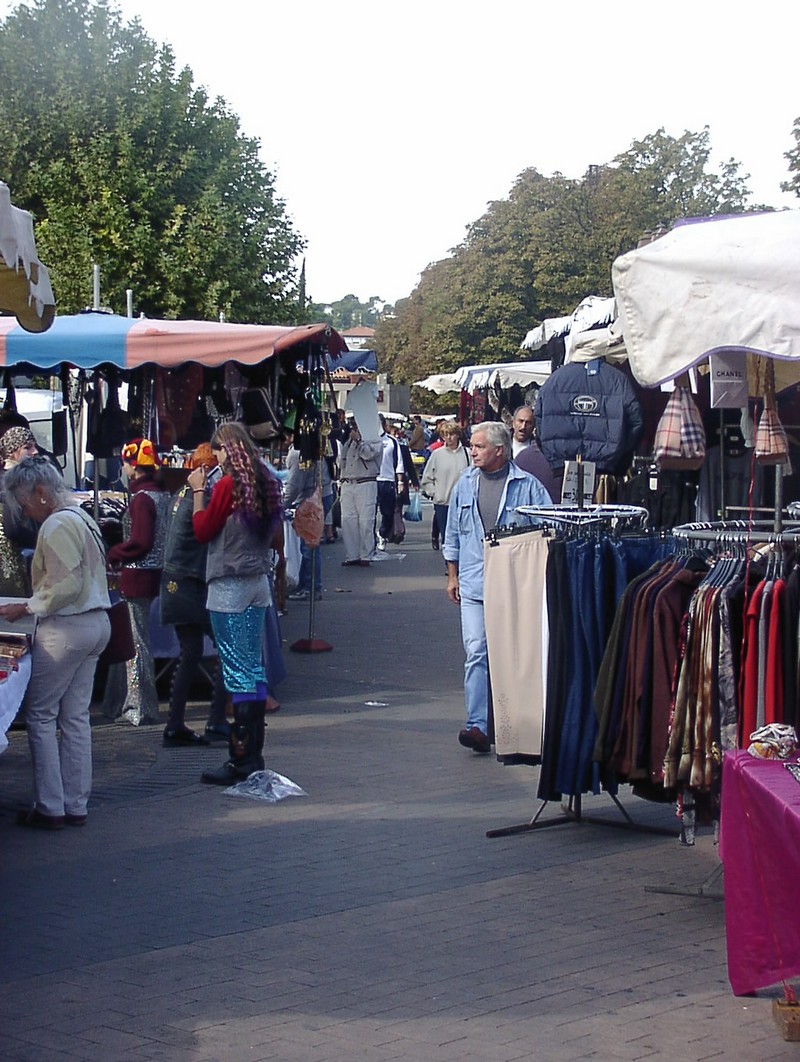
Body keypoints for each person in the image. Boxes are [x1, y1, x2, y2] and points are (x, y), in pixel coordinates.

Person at [0, 456, 110, 829]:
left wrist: (27, 606)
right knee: (75, 717)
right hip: (96, 623)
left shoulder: (57, 524)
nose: (24, 510)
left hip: (66, 627)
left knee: (42, 715)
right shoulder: (82, 518)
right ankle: (75, 803)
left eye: (24, 501)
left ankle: (51, 805)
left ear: (41, 492)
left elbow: (66, 585)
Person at [443, 421, 552, 754]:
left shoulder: (528, 487)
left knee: (513, 655)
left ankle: (516, 726)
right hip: (475, 584)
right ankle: (477, 724)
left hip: (514, 586)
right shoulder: (465, 484)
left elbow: (548, 531)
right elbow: (453, 533)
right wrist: (452, 575)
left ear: (499, 451)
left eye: (478, 446)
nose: (472, 451)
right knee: (477, 650)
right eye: (471, 446)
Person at [189, 421, 283, 785]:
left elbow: (202, 530)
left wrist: (199, 492)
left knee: (237, 670)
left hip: (229, 582)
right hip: (256, 580)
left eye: (220, 450)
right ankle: (252, 753)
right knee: (252, 669)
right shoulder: (265, 482)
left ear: (230, 450)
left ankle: (241, 758)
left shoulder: (228, 485)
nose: (218, 457)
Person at [159, 443, 229, 747]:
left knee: (191, 651)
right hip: (190, 581)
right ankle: (214, 719)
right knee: (225, 648)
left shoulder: (180, 495)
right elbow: (207, 530)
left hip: (179, 579)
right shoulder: (200, 496)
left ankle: (176, 722)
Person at [103, 438, 171, 726]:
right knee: (134, 639)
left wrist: (115, 552)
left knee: (135, 643)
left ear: (133, 465)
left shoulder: (142, 499)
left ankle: (139, 706)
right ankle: (122, 701)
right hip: (152, 573)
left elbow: (141, 541)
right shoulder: (161, 496)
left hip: (137, 575)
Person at [283, 434, 325, 601]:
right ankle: (310, 585)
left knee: (308, 548)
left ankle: (310, 587)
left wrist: (283, 504)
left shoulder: (297, 453)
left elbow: (294, 485)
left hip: (306, 502)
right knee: (310, 546)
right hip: (312, 499)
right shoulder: (308, 449)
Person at [338, 420, 382, 567]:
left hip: (365, 482)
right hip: (348, 482)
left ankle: (366, 554)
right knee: (348, 520)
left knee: (365, 521)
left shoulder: (375, 440)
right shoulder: (348, 441)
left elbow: (369, 455)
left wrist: (359, 441)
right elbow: (342, 460)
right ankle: (352, 555)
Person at [420, 423, 470, 551]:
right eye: (445, 435)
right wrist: (435, 493)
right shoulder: (437, 454)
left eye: (452, 434)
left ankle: (459, 566)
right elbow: (427, 478)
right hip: (443, 503)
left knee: (463, 537)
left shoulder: (467, 453)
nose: (449, 437)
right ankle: (450, 566)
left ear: (458, 435)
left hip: (463, 504)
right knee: (447, 537)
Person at [375, 414, 404, 551]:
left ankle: (382, 533)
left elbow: (399, 462)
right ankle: (369, 539)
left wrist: (400, 482)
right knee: (370, 513)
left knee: (387, 512)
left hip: (387, 480)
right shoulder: (367, 440)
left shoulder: (392, 441)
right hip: (372, 480)